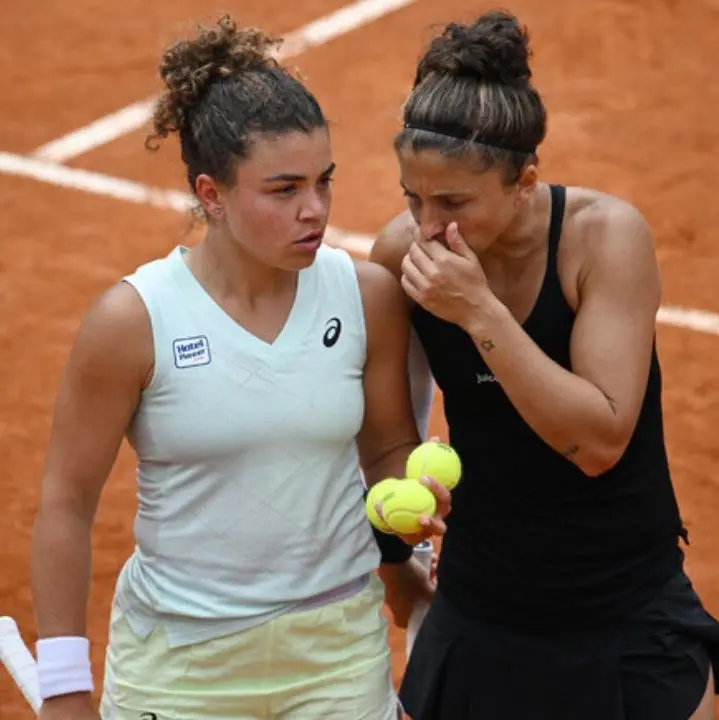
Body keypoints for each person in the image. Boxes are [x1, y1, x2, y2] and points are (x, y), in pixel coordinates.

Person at [29, 15, 449, 720]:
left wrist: (414, 488)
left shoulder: (366, 295)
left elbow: (384, 448)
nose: (314, 210)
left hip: (336, 653)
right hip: (180, 666)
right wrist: (65, 688)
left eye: (324, 182)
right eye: (283, 190)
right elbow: (66, 506)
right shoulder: (133, 322)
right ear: (212, 194)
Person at [370, 10, 719, 720]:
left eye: (454, 201)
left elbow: (598, 441)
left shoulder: (604, 239)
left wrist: (479, 313)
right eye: (413, 197)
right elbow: (385, 440)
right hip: (479, 610)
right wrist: (399, 572)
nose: (428, 225)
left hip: (626, 611)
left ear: (525, 180)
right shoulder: (398, 255)